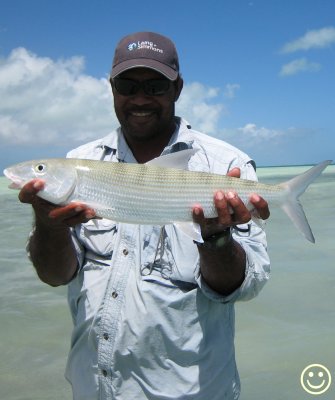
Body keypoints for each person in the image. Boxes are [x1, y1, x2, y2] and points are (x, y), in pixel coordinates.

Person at [19, 32, 270, 400]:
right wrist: (48, 225)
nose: (139, 98)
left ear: (177, 88)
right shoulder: (81, 159)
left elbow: (246, 288)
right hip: (93, 389)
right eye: (126, 85)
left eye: (154, 86)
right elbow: (54, 276)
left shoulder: (226, 166)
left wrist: (216, 239)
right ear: (111, 88)